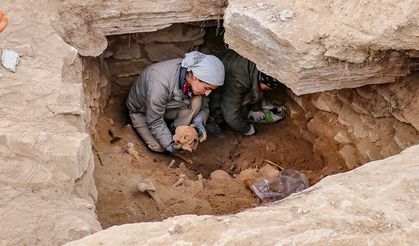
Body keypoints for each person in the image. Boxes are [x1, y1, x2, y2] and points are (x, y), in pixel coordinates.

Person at [126, 51, 225, 153]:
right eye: (207, 88)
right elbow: (154, 120)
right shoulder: (160, 81)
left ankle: (175, 131)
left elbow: (204, 107)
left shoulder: (190, 75)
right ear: (195, 77)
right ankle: (171, 137)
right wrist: (169, 144)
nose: (208, 93)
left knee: (197, 101)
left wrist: (199, 121)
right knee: (159, 147)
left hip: (167, 106)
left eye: (211, 90)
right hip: (143, 112)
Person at [212, 50, 284, 136]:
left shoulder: (253, 67)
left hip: (224, 61)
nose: (266, 90)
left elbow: (253, 86)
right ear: (261, 80)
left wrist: (255, 109)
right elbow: (231, 115)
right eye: (267, 88)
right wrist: (247, 129)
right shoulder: (238, 81)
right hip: (213, 86)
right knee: (223, 114)